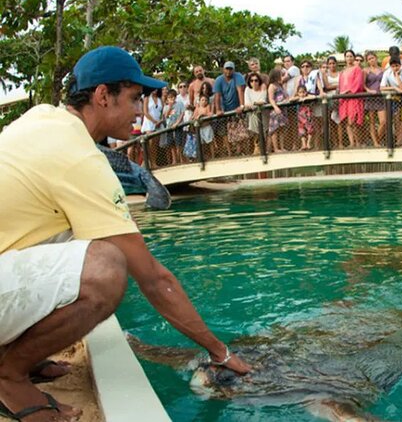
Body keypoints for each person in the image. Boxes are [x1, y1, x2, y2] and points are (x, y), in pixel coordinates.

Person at [0, 46, 251, 422]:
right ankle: (9, 376)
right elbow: (153, 279)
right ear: (103, 96)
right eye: (135, 98)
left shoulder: (41, 118)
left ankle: (22, 355)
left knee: (86, 239)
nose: (140, 111)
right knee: (107, 268)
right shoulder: (81, 158)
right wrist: (221, 352)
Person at [213, 61, 246, 156]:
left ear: (233, 70)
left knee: (240, 129)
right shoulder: (219, 80)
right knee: (225, 131)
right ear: (223, 69)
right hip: (225, 108)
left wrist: (242, 105)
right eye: (227, 68)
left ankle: (240, 150)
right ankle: (230, 152)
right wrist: (218, 109)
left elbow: (240, 90)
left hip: (236, 107)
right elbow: (217, 96)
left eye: (230, 69)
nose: (228, 71)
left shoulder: (238, 76)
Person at [338, 50, 365, 148]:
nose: (349, 58)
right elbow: (340, 86)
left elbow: (358, 84)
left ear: (353, 57)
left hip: (353, 98)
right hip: (344, 99)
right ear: (344, 58)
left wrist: (349, 92)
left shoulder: (357, 69)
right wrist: (342, 95)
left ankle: (358, 142)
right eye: (347, 56)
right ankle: (351, 143)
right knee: (346, 122)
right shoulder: (342, 72)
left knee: (352, 121)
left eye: (350, 56)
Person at [380, 57, 402, 146]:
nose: (395, 68)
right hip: (393, 98)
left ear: (400, 65)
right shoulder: (387, 73)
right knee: (395, 119)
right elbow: (382, 88)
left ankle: (401, 141)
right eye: (393, 66)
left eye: (397, 66)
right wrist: (394, 88)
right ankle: (393, 140)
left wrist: (397, 76)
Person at [364, 51, 386, 147]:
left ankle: (377, 139)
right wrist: (368, 90)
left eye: (372, 58)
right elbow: (363, 84)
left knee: (383, 121)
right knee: (372, 122)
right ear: (367, 61)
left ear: (376, 58)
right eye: (369, 59)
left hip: (381, 97)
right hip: (371, 97)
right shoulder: (366, 70)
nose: (371, 60)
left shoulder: (383, 70)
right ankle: (376, 143)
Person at [244, 73, 268, 156]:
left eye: (256, 80)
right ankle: (257, 147)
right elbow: (246, 103)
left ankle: (265, 148)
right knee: (255, 131)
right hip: (253, 114)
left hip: (263, 113)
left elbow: (263, 100)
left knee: (264, 131)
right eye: (251, 80)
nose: (254, 82)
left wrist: (254, 103)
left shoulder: (263, 88)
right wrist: (253, 105)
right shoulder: (247, 89)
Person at [160, 89, 186, 166]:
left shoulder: (180, 104)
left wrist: (177, 123)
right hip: (169, 126)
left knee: (179, 143)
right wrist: (170, 107)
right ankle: (174, 160)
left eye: (173, 97)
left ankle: (181, 159)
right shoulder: (166, 107)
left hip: (178, 126)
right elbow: (166, 116)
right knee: (171, 144)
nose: (172, 99)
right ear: (167, 98)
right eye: (170, 97)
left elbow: (182, 114)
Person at [267, 68, 289, 153]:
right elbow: (271, 99)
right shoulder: (272, 86)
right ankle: (276, 148)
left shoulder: (281, 85)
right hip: (276, 111)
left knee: (282, 129)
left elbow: (286, 96)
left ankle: (282, 147)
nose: (282, 76)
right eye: (281, 74)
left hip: (283, 110)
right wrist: (276, 107)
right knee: (275, 129)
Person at [193, 94, 215, 160]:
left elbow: (210, 114)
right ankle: (203, 156)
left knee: (210, 142)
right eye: (202, 100)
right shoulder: (197, 108)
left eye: (206, 100)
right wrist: (197, 116)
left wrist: (202, 114)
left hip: (207, 127)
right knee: (202, 144)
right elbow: (194, 116)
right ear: (199, 101)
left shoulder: (208, 106)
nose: (204, 101)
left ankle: (213, 156)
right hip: (200, 128)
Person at [294, 85, 316, 150]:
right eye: (300, 92)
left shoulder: (307, 97)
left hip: (308, 116)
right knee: (301, 130)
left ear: (306, 92)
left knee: (310, 129)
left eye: (303, 92)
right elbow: (290, 99)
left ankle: (308, 143)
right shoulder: (297, 98)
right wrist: (298, 98)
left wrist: (306, 97)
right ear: (298, 93)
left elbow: (314, 96)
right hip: (300, 117)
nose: (302, 94)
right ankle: (303, 144)